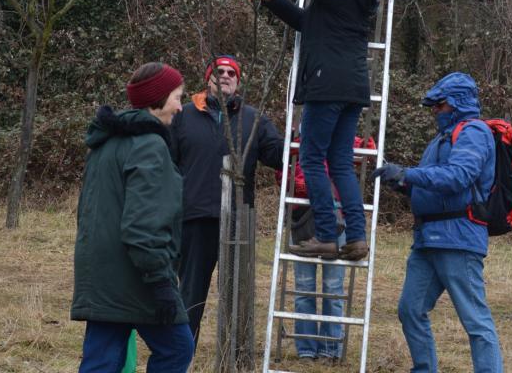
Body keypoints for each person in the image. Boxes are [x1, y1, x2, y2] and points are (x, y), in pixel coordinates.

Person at [372, 72, 504, 372]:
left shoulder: (473, 133)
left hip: (458, 239)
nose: (435, 110)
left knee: (475, 321)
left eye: (440, 104)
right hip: (427, 239)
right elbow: (432, 182)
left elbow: (458, 177)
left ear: (457, 103)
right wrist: (401, 183)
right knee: (410, 309)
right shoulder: (441, 138)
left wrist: (409, 173)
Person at [71, 62, 194, 373]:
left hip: (101, 271)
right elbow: (143, 226)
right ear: (158, 99)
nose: (180, 107)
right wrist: (161, 283)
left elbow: (87, 212)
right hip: (134, 274)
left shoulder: (106, 143)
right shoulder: (149, 146)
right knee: (177, 348)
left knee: (101, 361)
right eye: (177, 98)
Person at [248, 0, 379, 261]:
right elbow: (307, 24)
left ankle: (327, 235)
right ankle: (356, 238)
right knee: (340, 163)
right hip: (351, 88)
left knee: (311, 158)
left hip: (326, 85)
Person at [170, 55, 283, 349]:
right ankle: (182, 355)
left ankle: (234, 355)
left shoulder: (253, 119)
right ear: (209, 79)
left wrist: (302, 138)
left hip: (237, 220)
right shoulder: (182, 116)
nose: (224, 75)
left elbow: (277, 156)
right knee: (190, 295)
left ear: (238, 80)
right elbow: (166, 164)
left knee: (236, 295)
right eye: (218, 71)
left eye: (231, 72)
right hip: (195, 219)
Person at [277, 135, 376, 363]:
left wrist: (362, 145)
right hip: (304, 218)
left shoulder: (343, 139)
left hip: (336, 218)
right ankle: (307, 350)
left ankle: (329, 350)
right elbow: (282, 175)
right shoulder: (297, 142)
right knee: (304, 286)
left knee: (332, 287)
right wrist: (309, 186)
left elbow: (367, 151)